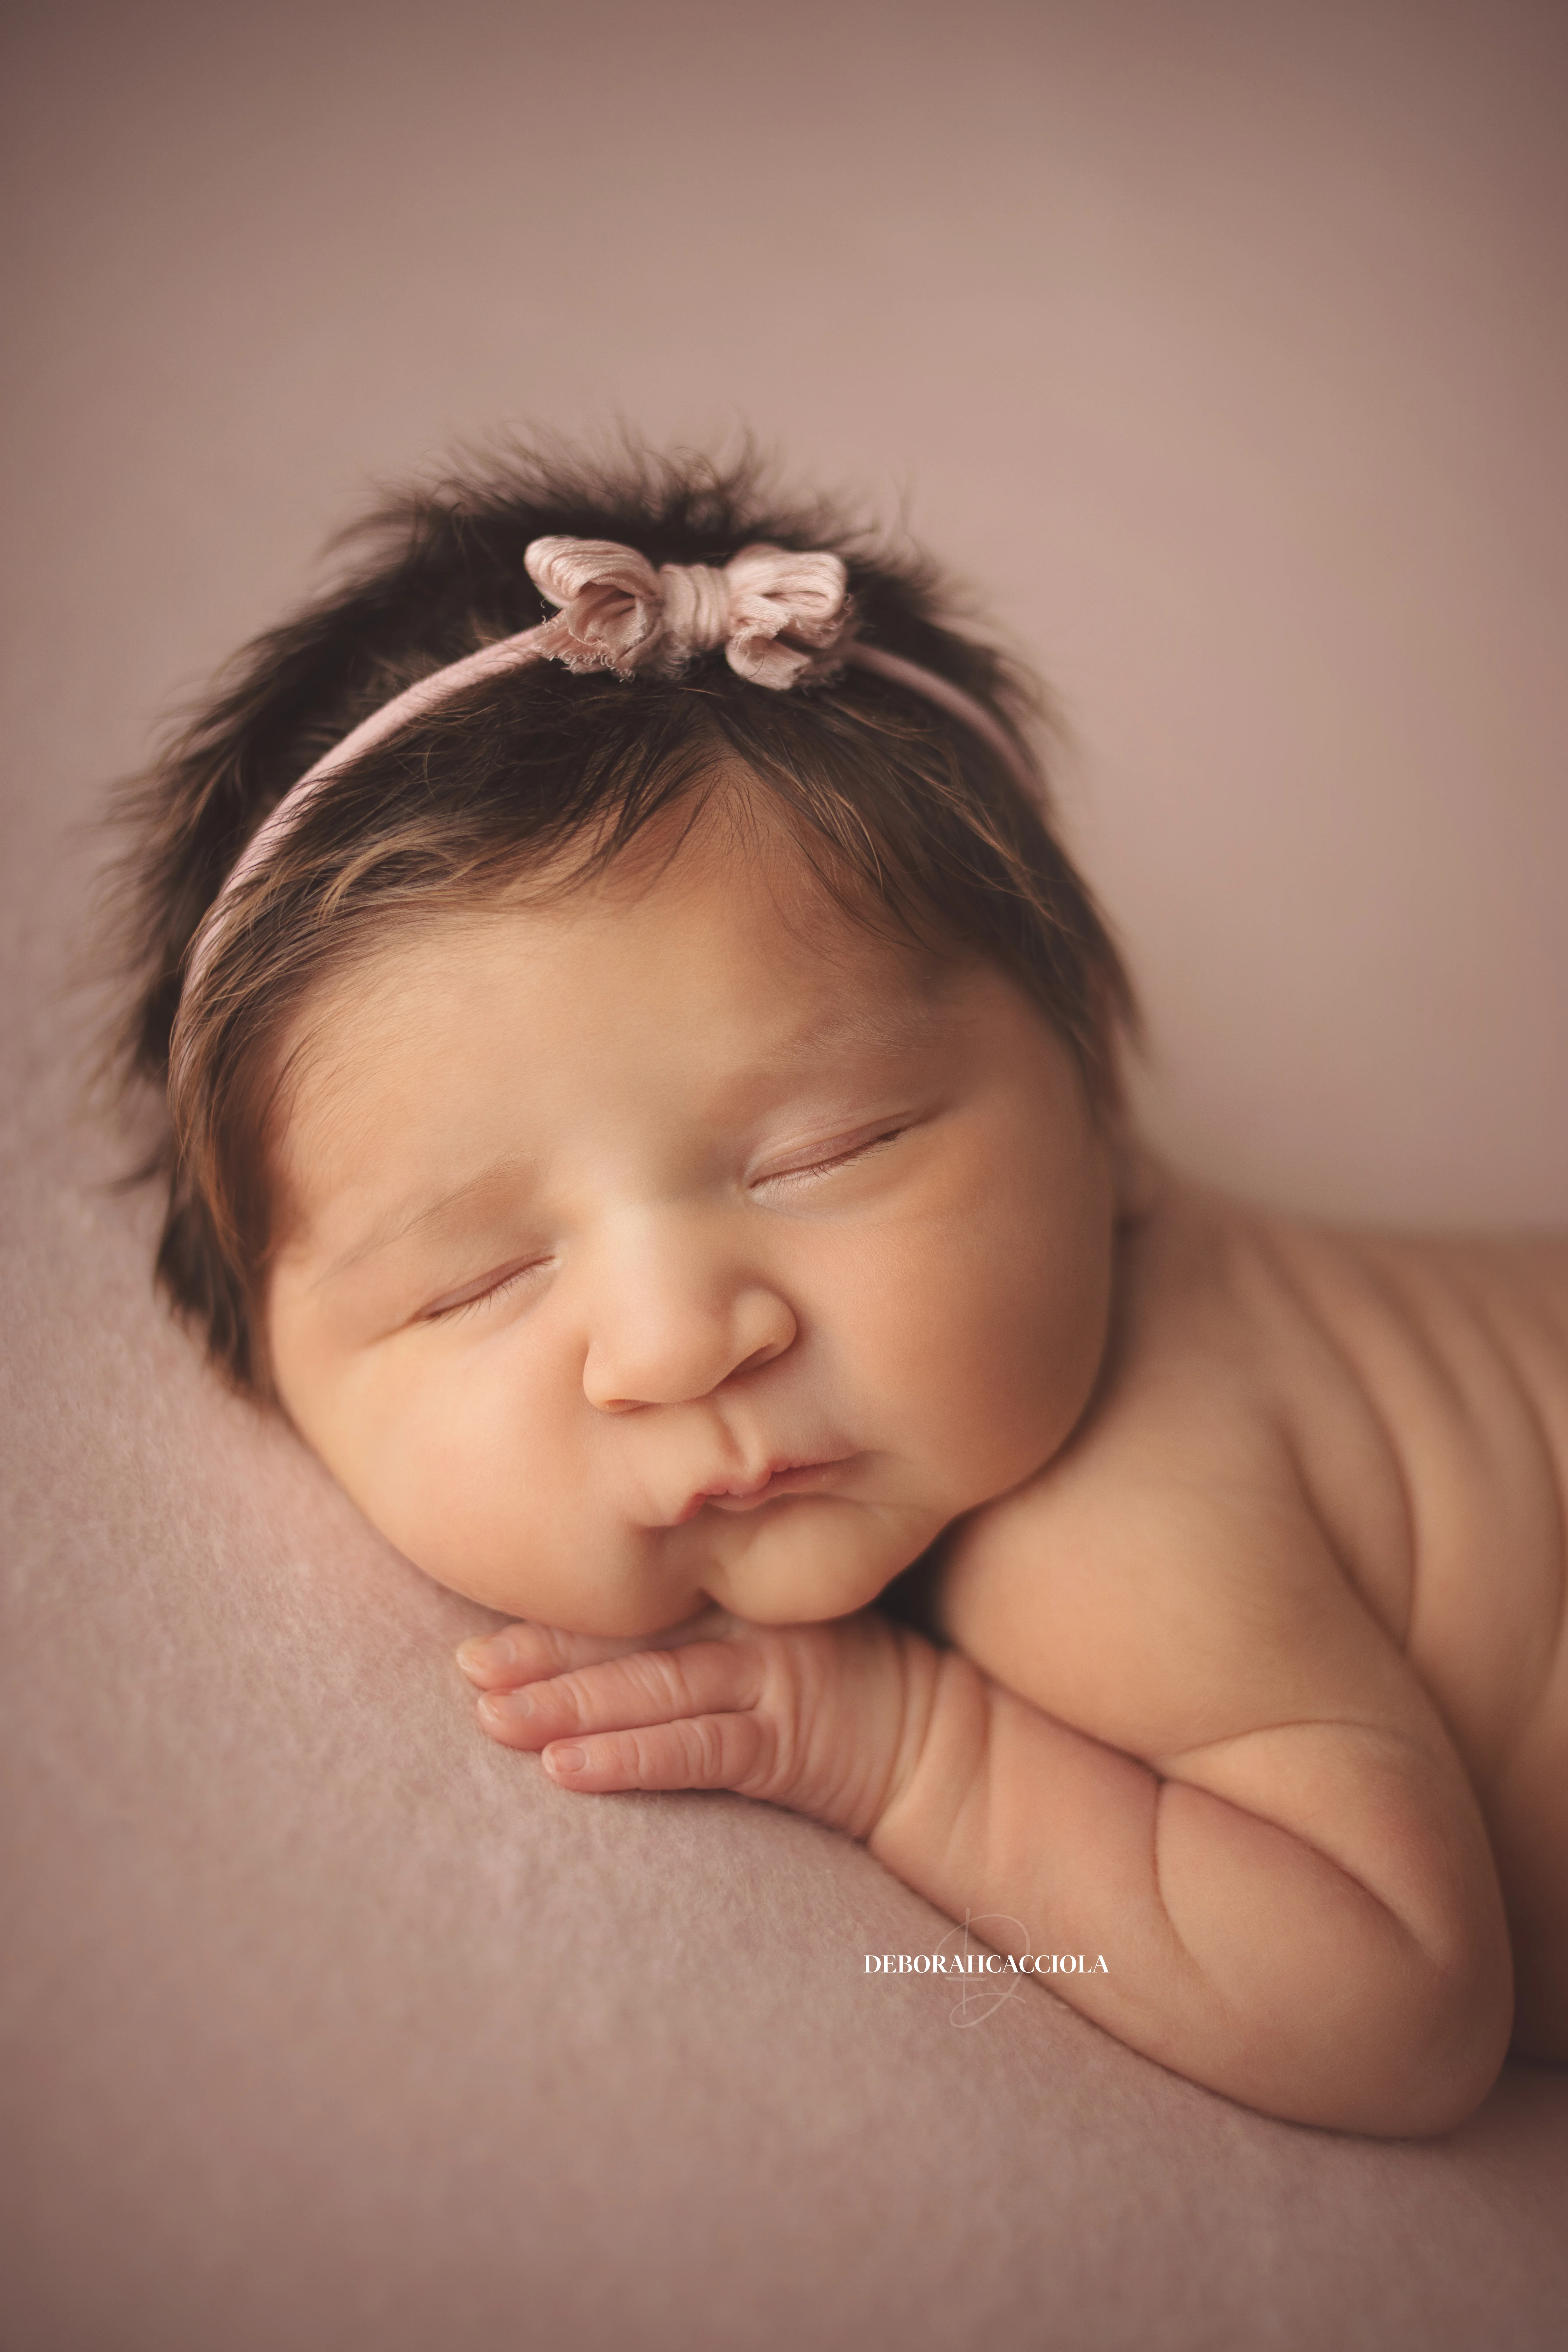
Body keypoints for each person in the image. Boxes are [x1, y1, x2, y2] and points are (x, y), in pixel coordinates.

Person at [110, 441, 1567, 2137]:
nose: (676, 1344)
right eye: (479, 1281)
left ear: (1100, 1112)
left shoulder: (1103, 1513)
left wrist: (908, 1755)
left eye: (827, 1153)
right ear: (258, 1370)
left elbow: (1391, 2009)